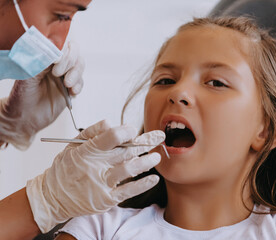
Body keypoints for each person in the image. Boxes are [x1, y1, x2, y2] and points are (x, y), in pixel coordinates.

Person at [55, 17, 276, 240]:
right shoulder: (98, 227)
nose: (178, 93)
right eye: (165, 80)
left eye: (216, 83)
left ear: (267, 131)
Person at [0, 0, 165, 239]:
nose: (58, 44)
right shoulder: (99, 225)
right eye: (61, 14)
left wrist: (7, 126)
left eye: (216, 83)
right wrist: (46, 201)